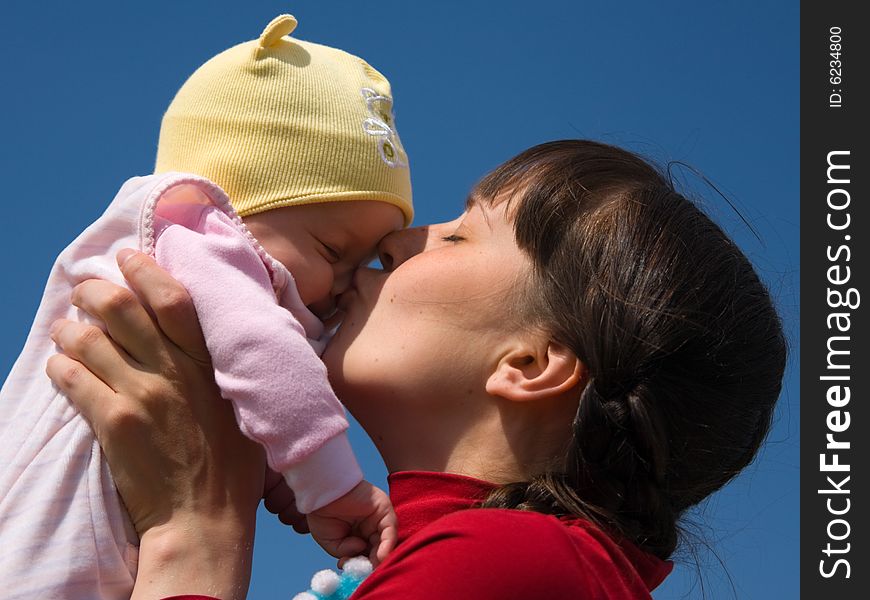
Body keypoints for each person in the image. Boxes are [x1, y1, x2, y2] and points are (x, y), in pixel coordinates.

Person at [46, 140, 787, 599]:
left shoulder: (507, 565)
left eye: (462, 235)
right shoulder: (486, 562)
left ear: (531, 363)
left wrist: (194, 529)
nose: (399, 239)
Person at [0, 14, 411, 598]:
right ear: (239, 203)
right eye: (332, 250)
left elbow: (248, 406)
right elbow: (263, 356)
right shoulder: (202, 231)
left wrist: (295, 489)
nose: (346, 282)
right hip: (59, 533)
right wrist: (336, 487)